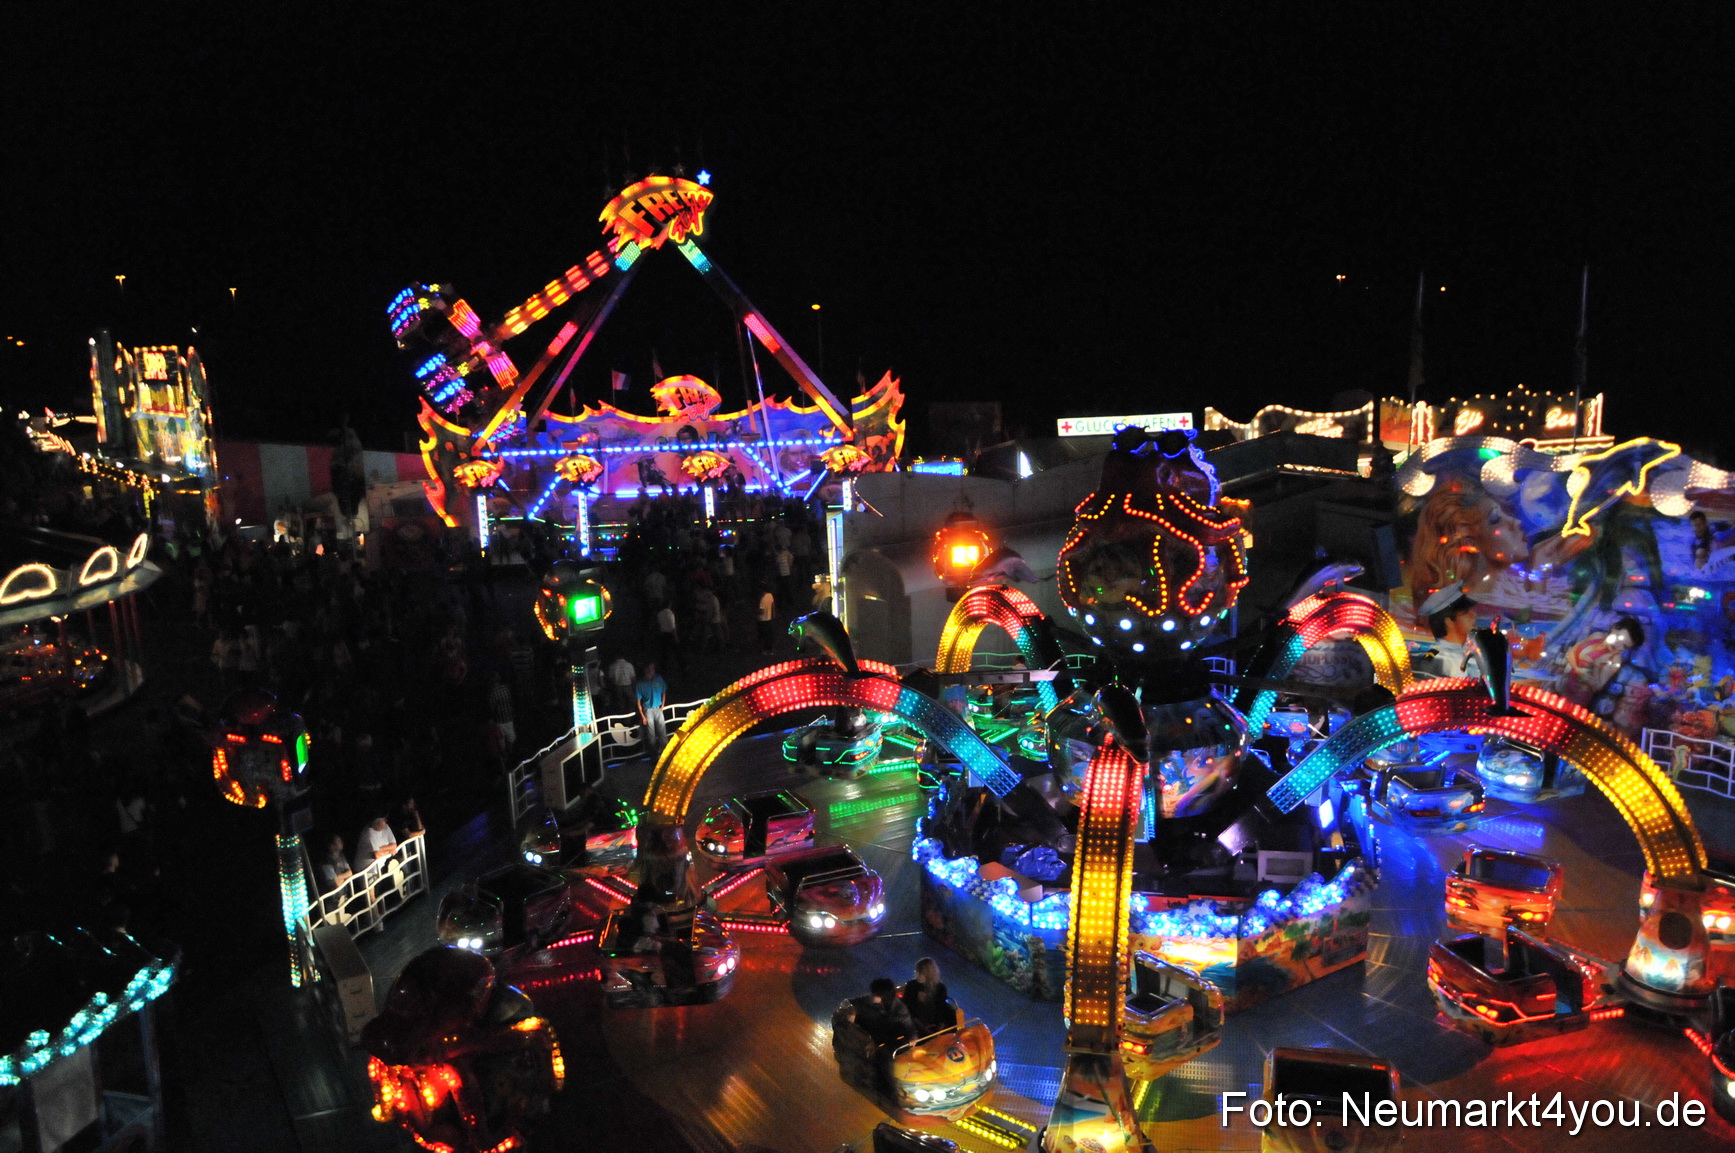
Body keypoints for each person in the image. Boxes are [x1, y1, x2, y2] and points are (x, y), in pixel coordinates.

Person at [1559, 616, 1645, 712]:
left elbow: (1598, 687)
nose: (1618, 645)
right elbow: (1572, 653)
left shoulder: (1615, 660)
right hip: (1565, 679)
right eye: (1619, 637)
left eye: (1624, 646)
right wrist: (1576, 669)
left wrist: (1596, 666)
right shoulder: (1597, 636)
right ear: (1614, 628)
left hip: (1580, 694)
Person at [853, 977, 916, 1049]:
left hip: (890, 1039)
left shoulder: (899, 1008)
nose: (872, 997)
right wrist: (850, 1012)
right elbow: (850, 1003)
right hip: (870, 1040)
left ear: (885, 997)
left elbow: (909, 1025)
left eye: (875, 995)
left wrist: (913, 1037)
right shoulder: (867, 1001)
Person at [900, 957, 954, 1035]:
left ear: (927, 975)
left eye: (919, 973)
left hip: (934, 1020)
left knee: (950, 1014)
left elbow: (941, 1008)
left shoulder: (940, 988)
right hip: (915, 1021)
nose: (916, 975)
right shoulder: (911, 985)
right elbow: (908, 1008)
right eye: (916, 972)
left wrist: (939, 1026)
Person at [635, 662, 669, 755]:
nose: (652, 671)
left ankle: (665, 752)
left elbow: (664, 691)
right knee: (651, 734)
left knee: (662, 732)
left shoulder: (658, 679)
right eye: (650, 669)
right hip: (648, 710)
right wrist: (643, 716)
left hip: (658, 708)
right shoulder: (640, 684)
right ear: (645, 670)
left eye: (653, 668)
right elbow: (638, 702)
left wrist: (662, 705)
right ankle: (654, 754)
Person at [756, 586, 777, 656]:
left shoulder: (762, 599)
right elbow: (773, 605)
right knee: (770, 635)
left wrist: (756, 614)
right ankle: (770, 649)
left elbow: (761, 611)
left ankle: (764, 650)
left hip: (762, 620)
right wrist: (773, 615)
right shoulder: (770, 595)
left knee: (763, 635)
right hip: (769, 619)